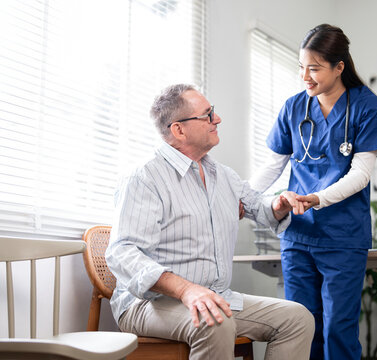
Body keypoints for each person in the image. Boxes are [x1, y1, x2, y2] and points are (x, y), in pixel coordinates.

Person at [106, 84, 315, 360]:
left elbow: (259, 207)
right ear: (178, 130)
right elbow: (122, 252)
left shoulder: (222, 175)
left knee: (297, 318)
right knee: (214, 320)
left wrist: (278, 205)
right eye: (207, 114)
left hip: (215, 296)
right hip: (147, 304)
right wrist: (186, 290)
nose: (217, 119)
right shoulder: (145, 177)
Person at [249, 24, 377, 360]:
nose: (305, 76)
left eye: (314, 68)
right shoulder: (294, 107)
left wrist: (318, 198)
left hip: (342, 233)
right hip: (298, 234)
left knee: (338, 327)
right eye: (301, 67)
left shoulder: (366, 106)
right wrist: (242, 196)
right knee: (300, 324)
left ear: (339, 66)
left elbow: (361, 174)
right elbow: (273, 164)